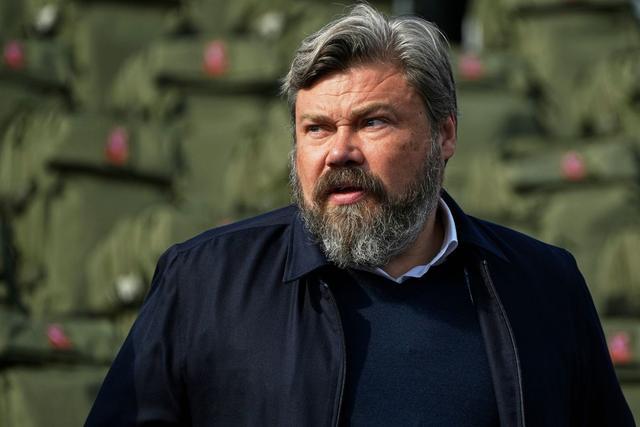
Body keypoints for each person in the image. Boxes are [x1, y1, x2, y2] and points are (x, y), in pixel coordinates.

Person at [85, 4, 634, 426]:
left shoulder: (544, 286)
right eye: (316, 128)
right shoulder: (204, 284)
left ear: (444, 135)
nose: (339, 152)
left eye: (372, 122)